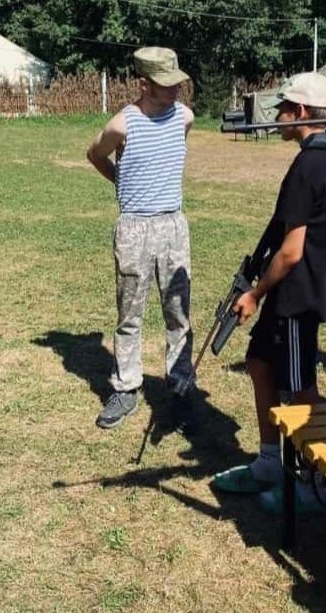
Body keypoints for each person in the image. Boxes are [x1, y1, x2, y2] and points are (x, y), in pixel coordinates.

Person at [210, 72, 326, 511]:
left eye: (284, 108)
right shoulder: (321, 157)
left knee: (299, 387)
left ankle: (317, 480)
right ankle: (270, 461)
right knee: (258, 362)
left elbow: (291, 251)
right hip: (291, 291)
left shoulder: (313, 163)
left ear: (302, 112)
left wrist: (255, 294)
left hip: (296, 293)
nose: (279, 116)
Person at [86, 47, 196, 431]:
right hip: (134, 228)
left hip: (172, 226)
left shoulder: (185, 117)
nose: (175, 91)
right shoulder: (122, 125)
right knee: (129, 314)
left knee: (178, 313)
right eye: (166, 85)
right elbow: (95, 154)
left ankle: (181, 388)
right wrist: (122, 181)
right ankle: (126, 387)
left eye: (177, 83)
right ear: (144, 84)